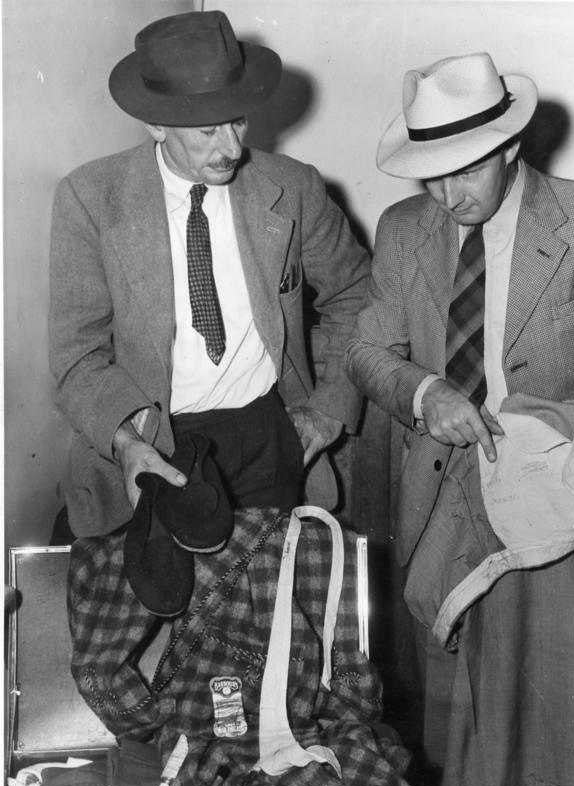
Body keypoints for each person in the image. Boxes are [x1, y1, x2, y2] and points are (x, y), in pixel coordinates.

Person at [345, 52, 574, 786]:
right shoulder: (405, 232)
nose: (447, 196)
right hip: (444, 524)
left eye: (464, 170)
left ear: (511, 145)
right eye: (429, 176)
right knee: (461, 738)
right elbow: (368, 349)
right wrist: (421, 393)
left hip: (564, 525)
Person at [49, 9, 370, 543]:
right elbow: (76, 356)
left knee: (264, 618)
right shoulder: (90, 199)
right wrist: (128, 444)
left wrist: (328, 411)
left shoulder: (293, 187)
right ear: (156, 125)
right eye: (207, 131)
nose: (232, 148)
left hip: (270, 433)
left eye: (238, 120)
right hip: (155, 439)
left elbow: (358, 294)